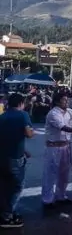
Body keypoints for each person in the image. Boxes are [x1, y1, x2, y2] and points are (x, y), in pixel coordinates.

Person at [42, 92, 72, 208]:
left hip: (65, 146)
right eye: (64, 100)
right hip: (54, 147)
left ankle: (61, 195)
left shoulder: (69, 111)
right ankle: (48, 199)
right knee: (51, 173)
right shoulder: (53, 114)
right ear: (57, 102)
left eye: (67, 100)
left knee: (64, 173)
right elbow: (62, 127)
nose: (67, 102)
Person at [0, 93, 33, 229]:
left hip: (2, 156)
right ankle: (7, 216)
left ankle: (4, 212)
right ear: (21, 103)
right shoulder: (22, 115)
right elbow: (28, 134)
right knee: (17, 187)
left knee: (4, 186)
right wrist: (32, 132)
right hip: (15, 158)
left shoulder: (2, 117)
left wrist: (25, 151)